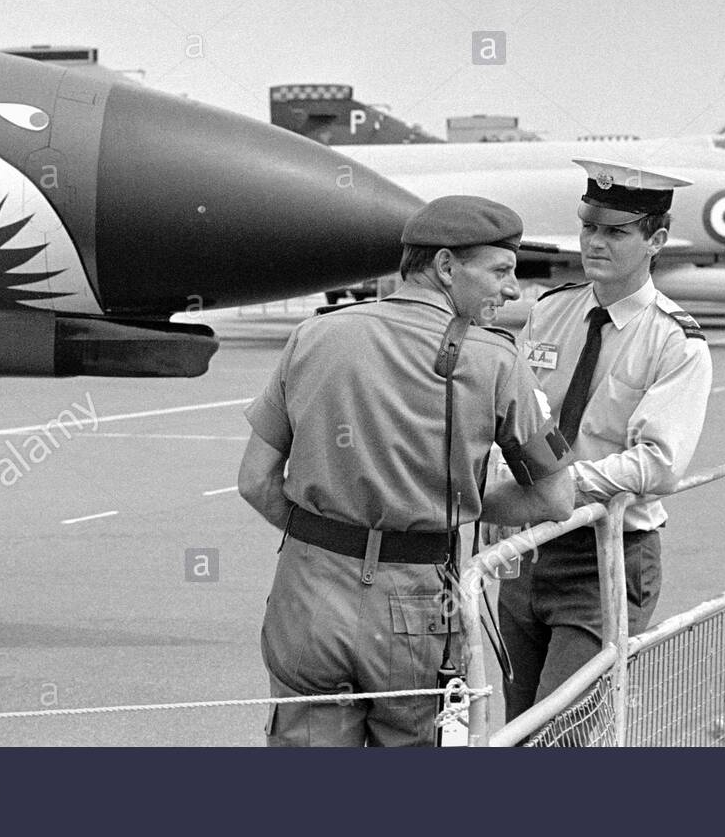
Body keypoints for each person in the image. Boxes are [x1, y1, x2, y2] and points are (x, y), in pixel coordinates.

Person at [238, 195, 576, 747]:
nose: (512, 289)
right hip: (419, 605)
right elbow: (555, 499)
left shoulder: (314, 335)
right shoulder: (497, 360)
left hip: (308, 594)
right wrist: (463, 497)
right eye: (500, 271)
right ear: (446, 267)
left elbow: (255, 480)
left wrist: (327, 543)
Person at [498, 159, 714, 721]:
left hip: (605, 555)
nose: (595, 241)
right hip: (527, 552)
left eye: (616, 231)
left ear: (656, 240)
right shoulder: (550, 312)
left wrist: (560, 483)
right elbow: (513, 417)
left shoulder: (675, 342)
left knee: (561, 729)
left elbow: (658, 463)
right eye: (590, 226)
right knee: (520, 725)